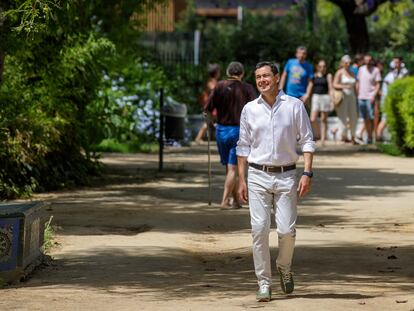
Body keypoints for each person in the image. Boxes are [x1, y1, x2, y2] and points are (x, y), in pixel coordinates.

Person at [237, 62, 315, 302]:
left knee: (286, 231)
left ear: (277, 78)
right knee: (259, 230)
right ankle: (263, 282)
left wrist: (307, 173)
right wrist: (241, 180)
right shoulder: (249, 109)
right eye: (258, 77)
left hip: (287, 176)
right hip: (257, 175)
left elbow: (308, 141)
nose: (262, 80)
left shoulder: (294, 106)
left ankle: (284, 266)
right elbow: (243, 146)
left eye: (266, 76)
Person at [206, 61, 256, 209]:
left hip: (221, 131)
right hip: (239, 132)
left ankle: (235, 200)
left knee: (230, 168)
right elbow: (257, 109)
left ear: (228, 72)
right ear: (242, 73)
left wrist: (211, 124)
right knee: (234, 168)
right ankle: (225, 200)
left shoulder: (219, 86)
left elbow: (207, 109)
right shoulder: (247, 88)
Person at [377, 57, 409, 141]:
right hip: (387, 100)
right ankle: (378, 137)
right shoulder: (390, 76)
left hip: (394, 100)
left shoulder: (402, 73)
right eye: (395, 62)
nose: (396, 64)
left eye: (397, 62)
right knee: (385, 119)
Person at [333, 55, 359, 144]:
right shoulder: (339, 72)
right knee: (342, 117)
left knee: (353, 117)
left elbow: (355, 85)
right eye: (346, 62)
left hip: (352, 97)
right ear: (342, 63)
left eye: (349, 62)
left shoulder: (352, 73)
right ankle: (343, 136)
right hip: (343, 97)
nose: (348, 64)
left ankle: (353, 136)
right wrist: (345, 86)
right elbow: (334, 84)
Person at [356, 54, 382, 144]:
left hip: (370, 97)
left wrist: (373, 95)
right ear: (364, 60)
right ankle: (369, 136)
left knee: (371, 118)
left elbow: (378, 84)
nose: (367, 61)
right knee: (365, 118)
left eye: (369, 60)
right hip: (361, 97)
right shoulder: (361, 69)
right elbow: (358, 82)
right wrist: (357, 93)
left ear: (372, 60)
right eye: (366, 60)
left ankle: (372, 137)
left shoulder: (376, 70)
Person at [195, 63, 221, 144]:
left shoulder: (214, 82)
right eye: (219, 72)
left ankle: (199, 138)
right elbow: (213, 90)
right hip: (210, 106)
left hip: (213, 106)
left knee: (212, 122)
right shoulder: (211, 82)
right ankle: (198, 138)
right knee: (209, 122)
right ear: (216, 73)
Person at [310, 59, 334, 146]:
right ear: (317, 67)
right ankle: (318, 135)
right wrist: (308, 97)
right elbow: (310, 87)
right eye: (320, 66)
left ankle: (323, 139)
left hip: (325, 97)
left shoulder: (328, 76)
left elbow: (331, 88)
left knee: (324, 119)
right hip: (316, 97)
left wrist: (332, 101)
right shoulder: (314, 76)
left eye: (324, 66)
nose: (322, 68)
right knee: (312, 118)